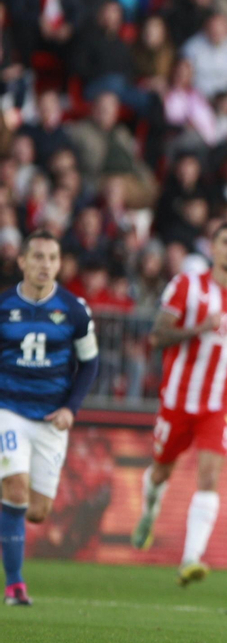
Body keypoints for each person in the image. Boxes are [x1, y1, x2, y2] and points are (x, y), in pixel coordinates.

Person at [130, 224, 227, 585]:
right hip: (177, 400)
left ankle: (190, 558)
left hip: (220, 402)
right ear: (213, 249)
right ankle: (149, 511)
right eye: (226, 243)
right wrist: (200, 327)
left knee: (209, 477)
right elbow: (158, 335)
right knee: (161, 472)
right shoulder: (187, 286)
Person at [0, 232, 99, 607]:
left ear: (59, 264)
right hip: (8, 410)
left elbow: (90, 363)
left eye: (52, 258)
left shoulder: (73, 310)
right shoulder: (4, 305)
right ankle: (15, 585)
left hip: (51, 419)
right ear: (23, 262)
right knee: (15, 491)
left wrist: (71, 408)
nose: (45, 264)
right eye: (37, 257)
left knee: (37, 512)